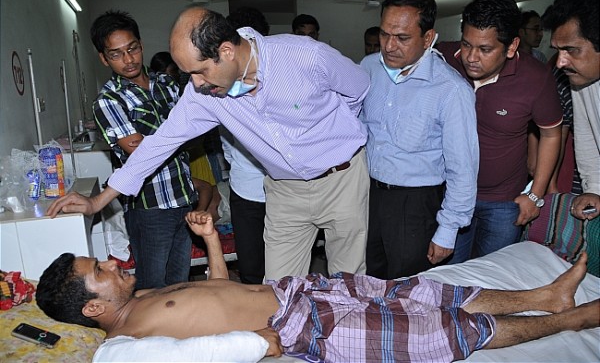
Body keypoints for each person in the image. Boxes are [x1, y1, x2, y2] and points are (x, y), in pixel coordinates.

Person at [47, 6, 370, 282]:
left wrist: (334, 135)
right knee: (279, 289)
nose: (196, 83)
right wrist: (99, 201)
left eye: (200, 71)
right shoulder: (203, 94)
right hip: (285, 191)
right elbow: (160, 144)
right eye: (190, 74)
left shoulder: (305, 55)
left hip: (342, 179)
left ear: (227, 51)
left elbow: (358, 88)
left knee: (348, 281)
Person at [36, 211, 600, 363]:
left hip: (299, 289)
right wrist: (261, 345)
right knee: (437, 334)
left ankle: (542, 297)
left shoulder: (145, 298)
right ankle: (569, 320)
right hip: (301, 328)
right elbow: (209, 348)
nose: (113, 264)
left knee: (421, 291)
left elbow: (222, 294)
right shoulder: (124, 346)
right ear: (92, 306)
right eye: (101, 271)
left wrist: (210, 242)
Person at [360, 0, 478, 279]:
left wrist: (447, 230)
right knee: (369, 279)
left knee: (408, 289)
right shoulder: (368, 67)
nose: (388, 46)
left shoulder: (450, 90)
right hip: (368, 194)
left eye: (402, 38)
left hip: (415, 206)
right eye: (384, 34)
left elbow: (462, 168)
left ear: (428, 38)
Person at [437, 0, 563, 263]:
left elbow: (551, 134)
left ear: (511, 46)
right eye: (467, 44)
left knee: (492, 277)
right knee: (447, 278)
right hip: (452, 197)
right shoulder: (444, 58)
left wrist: (535, 194)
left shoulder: (536, 78)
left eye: (484, 49)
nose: (471, 57)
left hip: (504, 202)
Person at [89, 10, 197, 290]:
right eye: (116, 54)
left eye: (132, 49)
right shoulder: (108, 100)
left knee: (180, 283)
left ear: (141, 45)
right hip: (149, 207)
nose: (128, 60)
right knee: (152, 287)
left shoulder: (166, 83)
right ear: (103, 58)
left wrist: (173, 135)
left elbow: (193, 129)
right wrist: (178, 133)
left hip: (183, 196)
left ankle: (178, 334)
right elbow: (136, 149)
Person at [542, 0, 600, 221]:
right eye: (557, 50)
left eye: (571, 50)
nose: (560, 62)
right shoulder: (582, 77)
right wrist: (594, 188)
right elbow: (586, 134)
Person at [223, 6, 270, 284]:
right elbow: (226, 141)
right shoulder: (222, 87)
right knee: (252, 270)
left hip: (285, 193)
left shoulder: (280, 81)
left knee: (285, 269)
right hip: (245, 191)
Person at [150, 51, 220, 219]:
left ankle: (204, 220)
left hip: (192, 147)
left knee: (207, 189)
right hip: (188, 149)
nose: (174, 76)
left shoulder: (175, 90)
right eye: (173, 72)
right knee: (206, 190)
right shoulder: (167, 93)